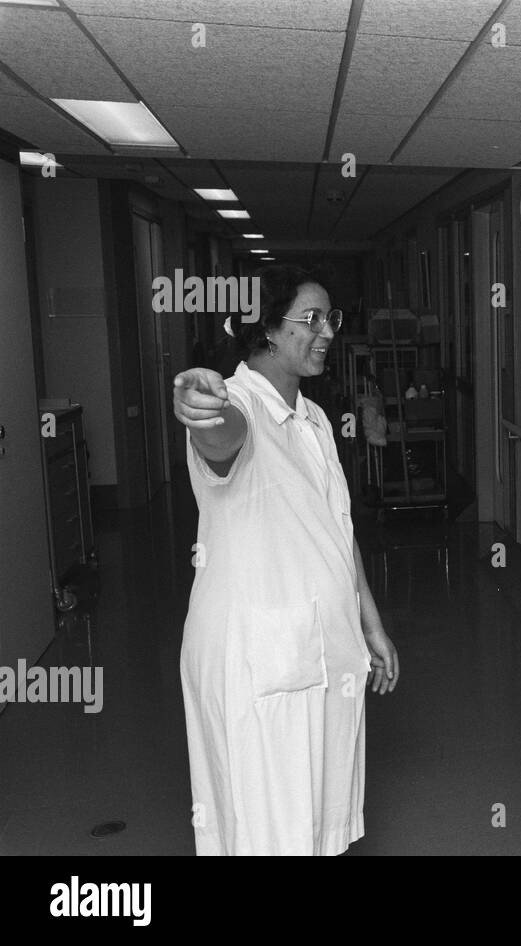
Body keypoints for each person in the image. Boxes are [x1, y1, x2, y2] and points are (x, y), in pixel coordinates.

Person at [173, 265, 399, 855]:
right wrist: (200, 407)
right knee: (264, 827)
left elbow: (338, 530)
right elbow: (221, 436)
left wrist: (370, 625)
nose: (326, 331)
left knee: (315, 825)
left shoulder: (315, 419)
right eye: (310, 319)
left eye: (332, 318)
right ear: (269, 330)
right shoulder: (239, 402)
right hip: (258, 659)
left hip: (321, 651)